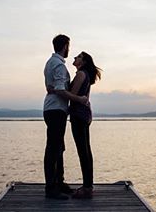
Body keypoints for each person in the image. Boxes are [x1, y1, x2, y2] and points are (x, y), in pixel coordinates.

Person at [50, 51, 102, 199]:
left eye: (78, 57)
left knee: (83, 150)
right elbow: (83, 97)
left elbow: (71, 94)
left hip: (78, 115)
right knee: (86, 150)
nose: (75, 57)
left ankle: (87, 188)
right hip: (84, 114)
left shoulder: (80, 74)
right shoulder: (86, 74)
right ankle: (88, 186)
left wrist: (54, 89)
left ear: (83, 61)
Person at [42, 34, 88, 200]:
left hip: (52, 109)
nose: (70, 49)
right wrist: (80, 99)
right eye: (69, 46)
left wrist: (53, 89)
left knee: (58, 147)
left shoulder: (50, 63)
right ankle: (51, 188)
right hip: (56, 110)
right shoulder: (60, 66)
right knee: (53, 148)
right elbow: (60, 90)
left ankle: (59, 183)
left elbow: (52, 86)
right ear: (65, 46)